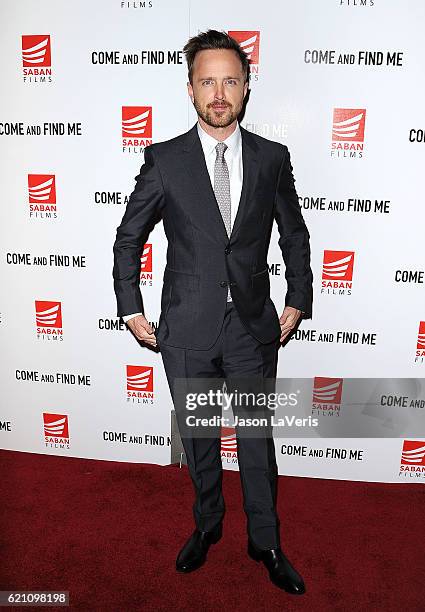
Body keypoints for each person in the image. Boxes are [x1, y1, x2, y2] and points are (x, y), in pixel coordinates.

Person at [112, 29, 313, 595]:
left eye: (230, 80)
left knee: (256, 438)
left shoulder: (273, 158)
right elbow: (129, 238)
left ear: (247, 87)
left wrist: (298, 296)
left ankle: (266, 540)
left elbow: (293, 234)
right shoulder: (165, 159)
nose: (219, 93)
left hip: (252, 326)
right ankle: (207, 526)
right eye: (208, 81)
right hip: (188, 328)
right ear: (190, 89)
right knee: (198, 439)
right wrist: (131, 307)